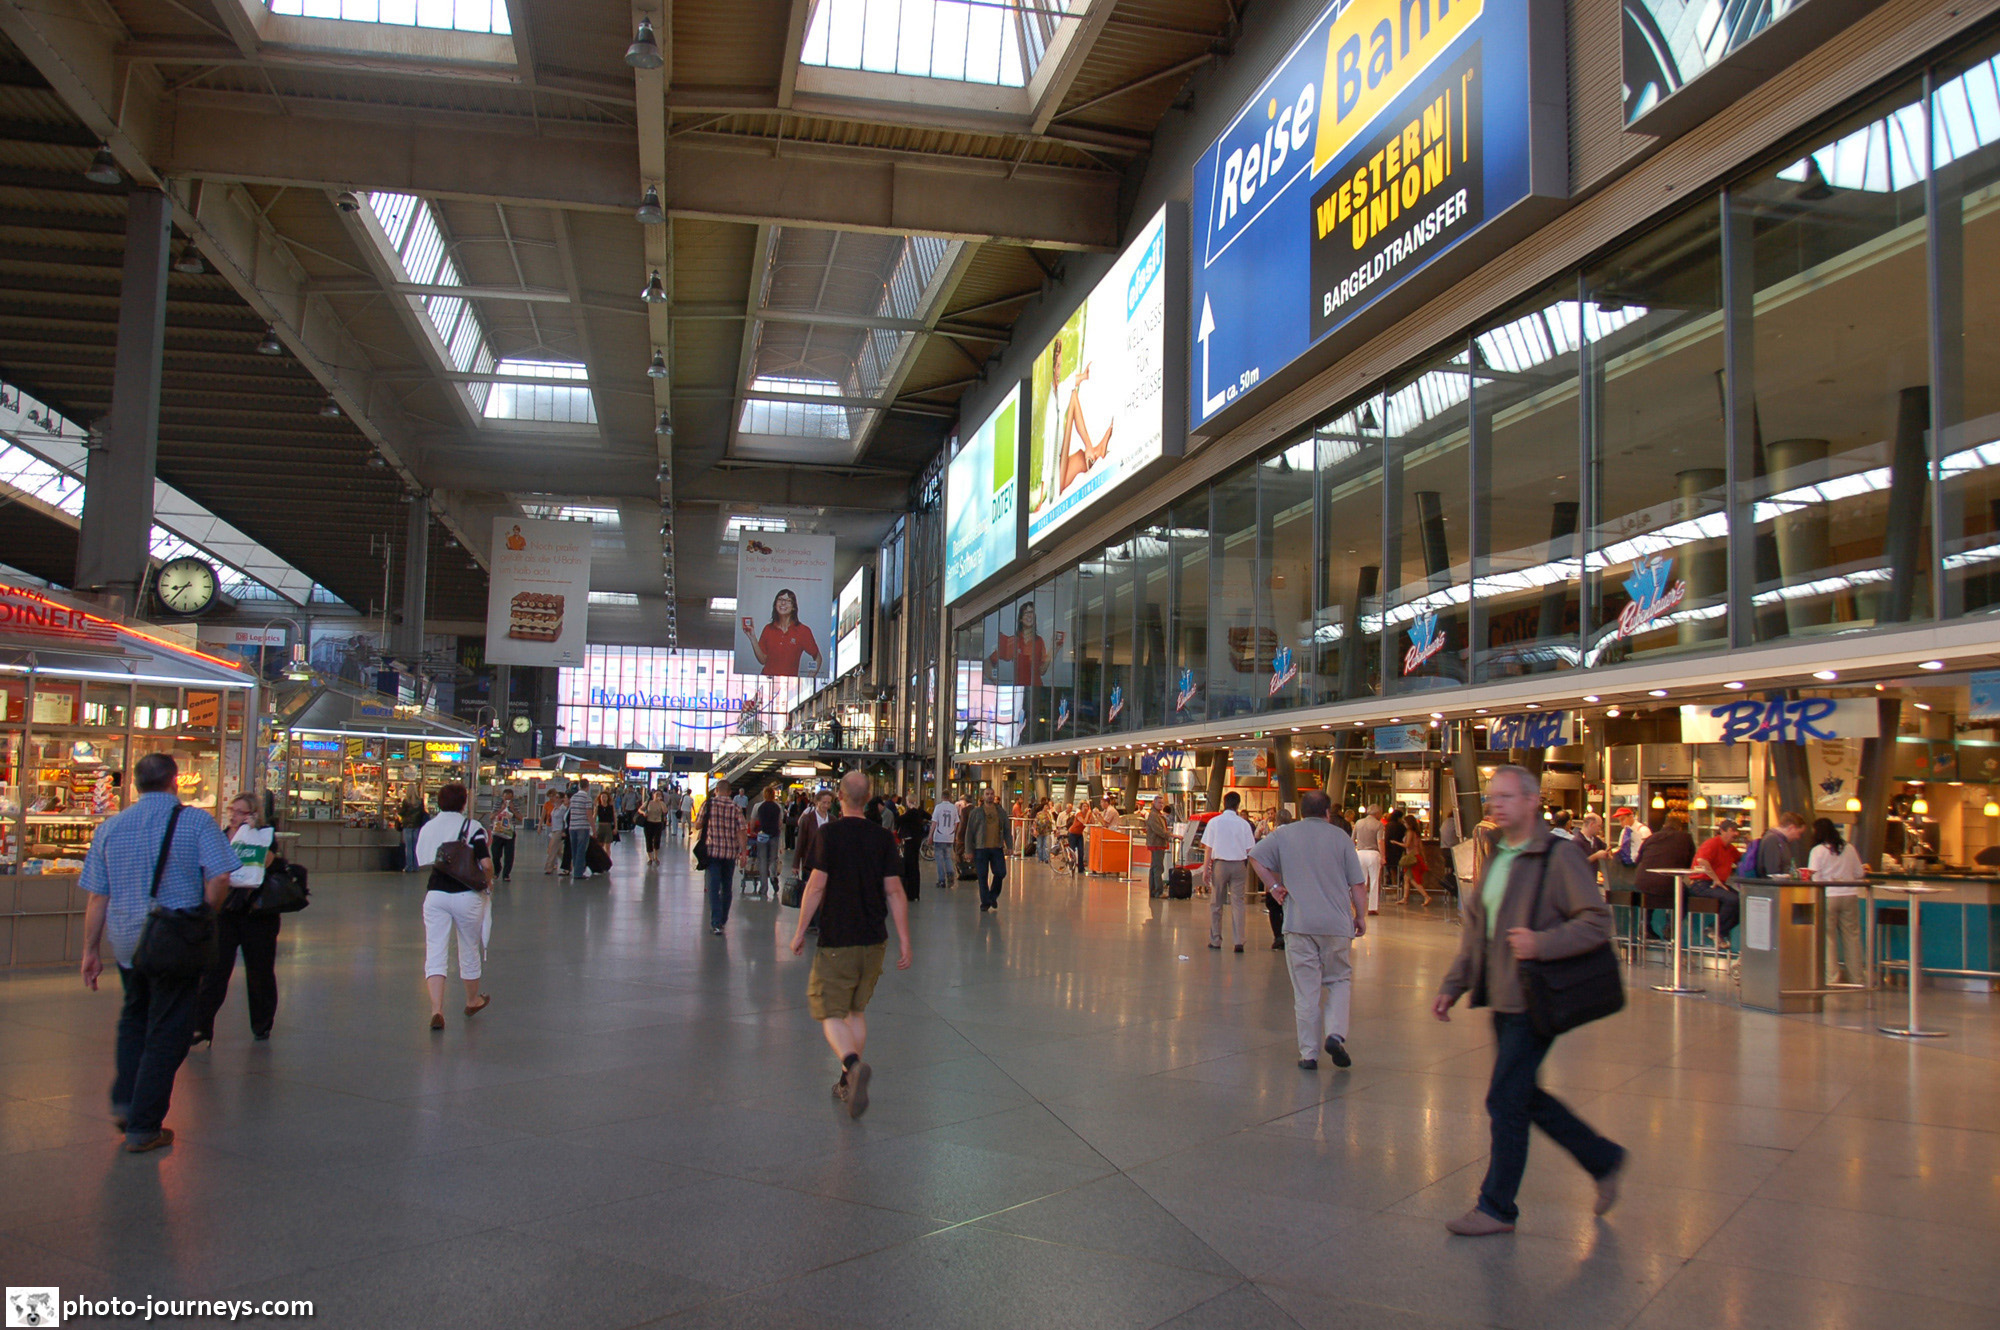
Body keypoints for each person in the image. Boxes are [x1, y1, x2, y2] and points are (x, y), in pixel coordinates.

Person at [1433, 765, 1624, 1237]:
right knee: (1521, 1094)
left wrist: (1543, 943)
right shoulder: (1500, 854)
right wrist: (1454, 984)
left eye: (1506, 797)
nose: (1496, 805)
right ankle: (1603, 1158)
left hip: (1536, 998)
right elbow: (1478, 930)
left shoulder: (1558, 856)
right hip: (1502, 995)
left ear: (1533, 801)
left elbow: (1596, 921)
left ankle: (1497, 1207)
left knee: (1505, 1099)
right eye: (1492, 797)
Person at [78, 753, 237, 1152]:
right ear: (174, 781)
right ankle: (144, 1125)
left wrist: (90, 950)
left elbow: (98, 896)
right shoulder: (196, 821)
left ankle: (125, 1099)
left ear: (135, 784)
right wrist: (207, 913)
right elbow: (220, 876)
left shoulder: (110, 827)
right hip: (175, 941)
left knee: (134, 1016)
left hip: (128, 942)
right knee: (169, 1029)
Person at [790, 771, 914, 1120]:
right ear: (869, 797)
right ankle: (847, 1081)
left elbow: (816, 886)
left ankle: (852, 1064)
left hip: (837, 938)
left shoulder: (829, 834)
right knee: (855, 1012)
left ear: (840, 798)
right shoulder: (882, 837)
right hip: (874, 940)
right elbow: (895, 891)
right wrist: (905, 941)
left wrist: (799, 931)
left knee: (830, 1012)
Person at [1250, 790, 1369, 1071]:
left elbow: (1255, 856)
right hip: (1336, 924)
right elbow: (1358, 884)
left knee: (1305, 991)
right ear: (1327, 812)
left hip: (1299, 923)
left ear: (1301, 812)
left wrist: (1273, 886)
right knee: (1339, 979)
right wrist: (1361, 916)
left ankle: (1309, 1054)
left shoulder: (1284, 834)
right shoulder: (1340, 837)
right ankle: (1335, 1034)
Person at [190, 791, 281, 1047]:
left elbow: (271, 863)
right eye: (232, 810)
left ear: (253, 815)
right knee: (215, 970)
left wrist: (252, 836)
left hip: (257, 914)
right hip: (225, 911)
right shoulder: (220, 837)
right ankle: (201, 1025)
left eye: (241, 812)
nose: (234, 816)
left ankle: (262, 1024)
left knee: (260, 971)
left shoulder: (263, 837)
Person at [416, 783, 492, 1030]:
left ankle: (436, 1010)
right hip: (466, 895)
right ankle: (472, 1000)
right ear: (464, 802)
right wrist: (488, 881)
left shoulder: (428, 827)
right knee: (469, 947)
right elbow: (486, 864)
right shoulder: (472, 827)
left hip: (435, 894)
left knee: (435, 950)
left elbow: (422, 859)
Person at [1200, 791, 1257, 952]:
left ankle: (1216, 940)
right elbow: (1250, 849)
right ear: (1238, 805)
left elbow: (1208, 848)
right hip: (1239, 865)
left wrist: (1205, 869)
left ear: (1224, 804)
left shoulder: (1214, 822)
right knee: (1238, 903)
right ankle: (1239, 941)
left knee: (1216, 902)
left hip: (1220, 865)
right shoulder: (1244, 824)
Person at [1810, 817, 1866, 983]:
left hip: (1828, 896)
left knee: (1829, 939)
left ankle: (1831, 978)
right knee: (1852, 937)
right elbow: (1859, 873)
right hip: (1849, 895)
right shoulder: (1849, 848)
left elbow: (1814, 877)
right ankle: (1857, 977)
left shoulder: (1818, 851)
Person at [696, 779, 747, 935]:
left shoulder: (708, 804)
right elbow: (741, 831)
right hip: (730, 853)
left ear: (716, 790)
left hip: (712, 852)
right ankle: (723, 919)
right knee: (727, 887)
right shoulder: (736, 807)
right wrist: (743, 853)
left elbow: (697, 824)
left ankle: (716, 922)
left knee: (713, 887)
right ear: (730, 792)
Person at [1634, 814, 1696, 939]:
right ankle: (1671, 927)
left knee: (1650, 894)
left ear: (1664, 825)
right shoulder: (1686, 838)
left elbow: (1638, 860)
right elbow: (1689, 864)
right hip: (1668, 884)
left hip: (1642, 883)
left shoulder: (1651, 838)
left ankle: (1645, 927)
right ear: (1679, 828)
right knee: (1684, 895)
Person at [741, 587, 822, 678]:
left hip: (789, 683)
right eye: (780, 599)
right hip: (768, 680)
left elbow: (818, 657)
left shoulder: (803, 631)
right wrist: (752, 638)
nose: (783, 603)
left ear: (793, 607)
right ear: (775, 605)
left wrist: (809, 678)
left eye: (788, 600)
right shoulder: (768, 629)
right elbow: (763, 660)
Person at [1689, 818, 1744, 944]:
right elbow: (1702, 861)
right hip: (1701, 884)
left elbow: (1741, 860)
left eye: (1737, 831)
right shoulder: (1712, 843)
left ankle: (1719, 930)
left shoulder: (1730, 848)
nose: (1736, 834)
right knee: (1732, 900)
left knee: (1742, 901)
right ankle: (1715, 929)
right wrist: (1716, 879)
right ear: (1722, 831)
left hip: (1716, 884)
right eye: (1732, 830)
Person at [964, 789, 1012, 913]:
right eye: (987, 794)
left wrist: (1009, 846)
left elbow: (1007, 830)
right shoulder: (976, 812)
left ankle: (992, 896)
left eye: (991, 794)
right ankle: (985, 902)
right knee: (982, 876)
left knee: (1001, 872)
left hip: (997, 847)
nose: (990, 796)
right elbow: (969, 832)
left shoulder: (1001, 812)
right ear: (983, 796)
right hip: (981, 848)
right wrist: (968, 850)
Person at [1757, 810, 1809, 880]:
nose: (1798, 837)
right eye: (1799, 833)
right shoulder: (1772, 840)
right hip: (1773, 885)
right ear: (1791, 828)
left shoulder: (1779, 840)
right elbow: (1773, 871)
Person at [751, 784, 784, 892]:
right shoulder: (778, 806)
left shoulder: (757, 806)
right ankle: (773, 876)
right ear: (774, 795)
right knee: (773, 858)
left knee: (762, 860)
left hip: (762, 835)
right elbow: (780, 823)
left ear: (764, 795)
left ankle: (763, 887)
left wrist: (753, 831)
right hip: (774, 835)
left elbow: (752, 821)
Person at [1353, 804, 1385, 915]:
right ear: (1377, 813)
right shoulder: (1379, 824)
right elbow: (1380, 841)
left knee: (1362, 881)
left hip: (1360, 853)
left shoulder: (1358, 823)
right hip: (1373, 853)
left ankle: (1360, 905)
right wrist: (1383, 856)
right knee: (1374, 880)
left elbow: (1352, 839)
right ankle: (1372, 907)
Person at [895, 796, 927, 901]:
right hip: (917, 840)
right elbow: (929, 816)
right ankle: (915, 893)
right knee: (915, 866)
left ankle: (910, 892)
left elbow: (898, 820)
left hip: (910, 841)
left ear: (909, 802)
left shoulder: (910, 813)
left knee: (909, 866)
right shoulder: (919, 811)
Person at [929, 788, 960, 892]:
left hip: (939, 836)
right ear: (950, 797)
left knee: (939, 859)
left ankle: (941, 880)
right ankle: (950, 875)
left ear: (942, 797)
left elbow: (934, 822)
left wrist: (930, 835)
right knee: (947, 857)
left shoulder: (938, 807)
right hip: (949, 837)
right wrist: (953, 832)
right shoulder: (953, 808)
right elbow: (956, 822)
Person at [1145, 795, 1173, 898]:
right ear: (1154, 803)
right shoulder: (1154, 815)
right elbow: (1159, 830)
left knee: (1154, 867)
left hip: (1156, 843)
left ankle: (1153, 891)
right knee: (1158, 867)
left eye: (1162, 803)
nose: (1161, 805)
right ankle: (1158, 891)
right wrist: (1170, 835)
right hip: (1157, 843)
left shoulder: (1156, 814)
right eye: (1159, 803)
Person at [566, 782, 596, 878]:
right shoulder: (587, 798)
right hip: (583, 827)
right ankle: (578, 873)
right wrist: (594, 829)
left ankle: (576, 869)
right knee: (581, 850)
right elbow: (589, 815)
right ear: (587, 787)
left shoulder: (573, 798)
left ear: (579, 787)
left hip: (572, 826)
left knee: (574, 850)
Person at [490, 789, 518, 882]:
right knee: (495, 853)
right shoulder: (498, 804)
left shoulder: (514, 805)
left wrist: (512, 809)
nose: (507, 801)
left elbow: (521, 818)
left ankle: (506, 874)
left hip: (510, 833)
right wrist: (501, 809)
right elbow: (491, 816)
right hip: (498, 832)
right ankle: (497, 869)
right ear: (502, 797)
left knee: (509, 855)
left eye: (509, 799)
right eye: (506, 798)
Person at [399, 790, 426, 873]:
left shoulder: (406, 802)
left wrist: (397, 807)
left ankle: (409, 866)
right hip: (417, 826)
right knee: (415, 847)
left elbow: (402, 813)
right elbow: (422, 813)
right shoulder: (420, 801)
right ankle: (416, 866)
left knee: (408, 847)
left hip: (407, 826)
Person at [544, 789, 570, 875]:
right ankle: (568, 865)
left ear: (562, 799)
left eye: (557, 797)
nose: (555, 799)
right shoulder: (555, 808)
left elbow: (564, 821)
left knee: (552, 849)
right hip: (554, 830)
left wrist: (563, 831)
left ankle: (549, 867)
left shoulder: (563, 809)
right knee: (559, 851)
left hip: (559, 831)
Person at [641, 787, 668, 864]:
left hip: (658, 823)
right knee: (648, 840)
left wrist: (661, 803)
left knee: (657, 840)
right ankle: (650, 858)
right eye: (656, 794)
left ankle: (656, 857)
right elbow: (640, 809)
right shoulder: (649, 802)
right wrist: (643, 813)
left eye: (659, 795)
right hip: (649, 823)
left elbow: (665, 811)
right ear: (653, 795)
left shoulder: (662, 803)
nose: (658, 796)